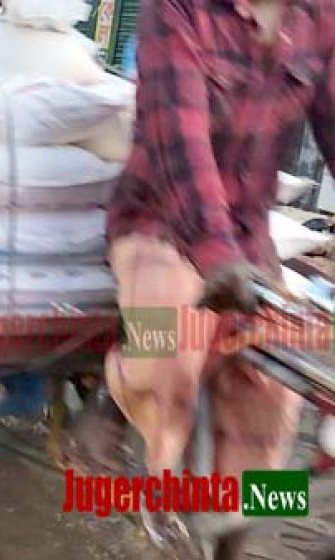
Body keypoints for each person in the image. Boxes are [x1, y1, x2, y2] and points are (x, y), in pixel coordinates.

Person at [80, 0, 335, 558]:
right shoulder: (176, 10)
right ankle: (113, 389)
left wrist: (234, 254)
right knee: (170, 351)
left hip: (249, 240)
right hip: (159, 224)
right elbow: (180, 141)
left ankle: (232, 537)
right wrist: (214, 255)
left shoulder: (321, 18)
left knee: (275, 398)